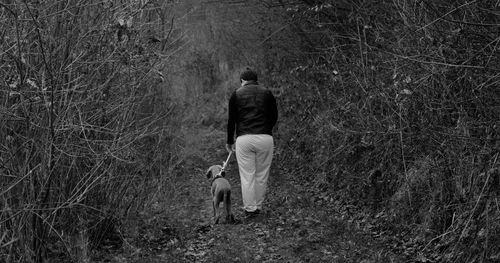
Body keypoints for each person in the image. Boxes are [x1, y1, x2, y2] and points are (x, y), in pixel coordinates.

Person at [226, 68, 278, 218]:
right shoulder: (267, 93)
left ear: (242, 81)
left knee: (247, 175)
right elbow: (274, 115)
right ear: (256, 80)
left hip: (244, 138)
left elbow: (231, 121)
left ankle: (250, 208)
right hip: (265, 138)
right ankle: (258, 206)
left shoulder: (236, 94)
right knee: (261, 174)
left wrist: (230, 141)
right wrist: (266, 128)